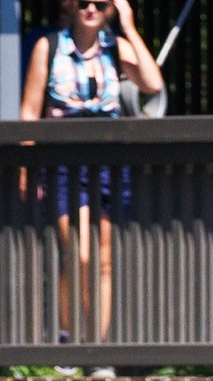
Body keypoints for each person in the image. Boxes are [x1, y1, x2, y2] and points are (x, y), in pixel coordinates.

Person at [22, 0, 163, 342]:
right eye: (84, 2)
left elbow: (152, 84)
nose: (90, 9)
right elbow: (29, 112)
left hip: (107, 162)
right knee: (79, 253)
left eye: (99, 3)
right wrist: (25, 167)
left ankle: (97, 346)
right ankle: (69, 337)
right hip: (62, 161)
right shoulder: (49, 47)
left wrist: (129, 26)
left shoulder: (116, 47)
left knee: (104, 260)